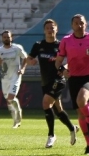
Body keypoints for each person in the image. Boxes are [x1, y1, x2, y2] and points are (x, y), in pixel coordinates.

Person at [54, 14, 89, 155]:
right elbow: (58, 61)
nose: (79, 26)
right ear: (72, 25)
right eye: (76, 23)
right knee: (80, 113)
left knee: (81, 100)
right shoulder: (66, 41)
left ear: (86, 24)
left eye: (81, 23)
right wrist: (62, 70)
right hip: (74, 79)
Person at [26, 19, 79, 148]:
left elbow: (71, 59)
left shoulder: (62, 45)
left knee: (46, 103)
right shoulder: (38, 45)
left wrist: (65, 68)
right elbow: (29, 58)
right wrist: (30, 61)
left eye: (52, 27)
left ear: (57, 29)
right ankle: (72, 128)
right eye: (48, 28)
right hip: (45, 81)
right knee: (58, 109)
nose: (50, 30)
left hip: (58, 79)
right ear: (44, 31)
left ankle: (51, 135)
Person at [0, 30, 28, 128]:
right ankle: (15, 121)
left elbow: (25, 58)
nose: (6, 39)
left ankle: (18, 116)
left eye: (8, 37)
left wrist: (22, 69)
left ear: (11, 38)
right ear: (2, 38)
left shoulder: (17, 48)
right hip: (5, 78)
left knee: (11, 98)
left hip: (15, 77)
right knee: (8, 101)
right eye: (4, 37)